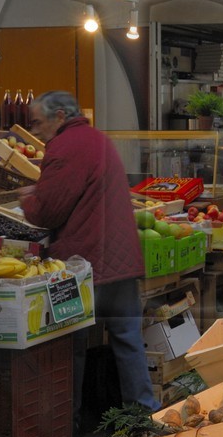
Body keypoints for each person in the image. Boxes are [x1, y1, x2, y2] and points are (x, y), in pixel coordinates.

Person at [21, 92, 159, 414]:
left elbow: (47, 212)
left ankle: (67, 426)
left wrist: (27, 199)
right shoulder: (98, 139)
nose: (36, 130)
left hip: (83, 266)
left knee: (71, 344)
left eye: (38, 122)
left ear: (58, 116)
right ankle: (143, 414)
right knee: (128, 339)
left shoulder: (65, 147)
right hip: (120, 260)